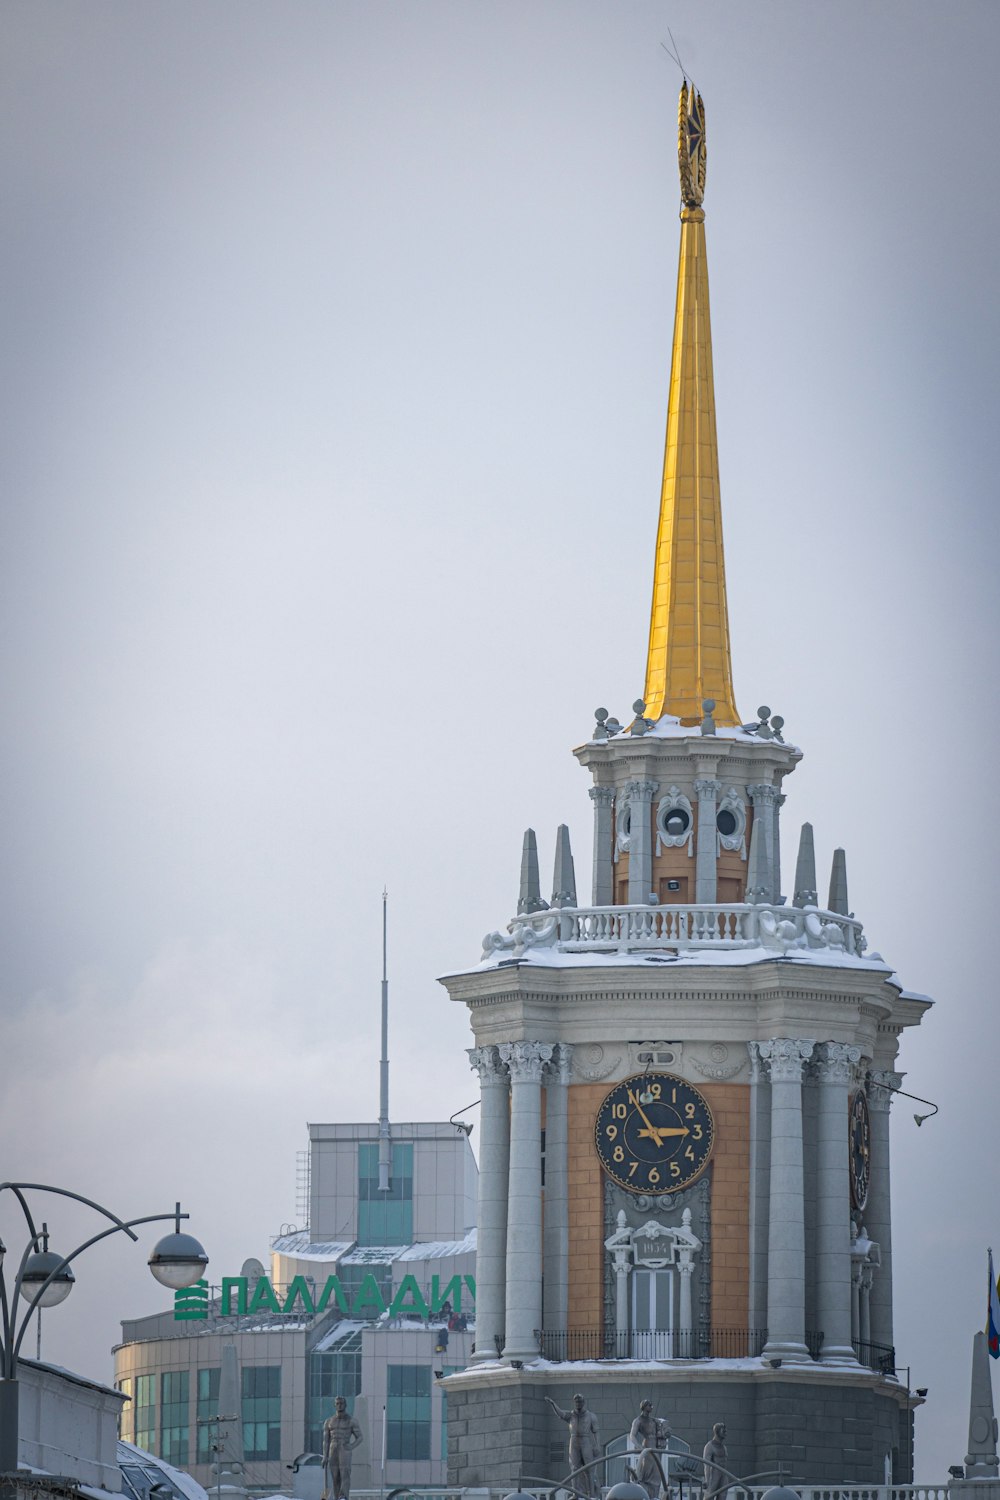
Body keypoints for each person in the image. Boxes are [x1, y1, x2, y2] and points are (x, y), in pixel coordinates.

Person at [546, 1393, 601, 1497]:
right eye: (576, 1402)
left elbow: (596, 1431)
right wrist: (553, 1404)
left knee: (589, 1468)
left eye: (579, 1401)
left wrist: (597, 1445)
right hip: (574, 1442)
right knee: (574, 1468)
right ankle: (575, 1493)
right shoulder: (571, 1415)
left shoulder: (591, 1416)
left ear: (583, 1403)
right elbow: (560, 1414)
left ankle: (591, 1494)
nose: (578, 1404)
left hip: (585, 1441)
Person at [322, 1395, 363, 1500]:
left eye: (341, 1403)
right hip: (333, 1448)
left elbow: (360, 1437)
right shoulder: (329, 1421)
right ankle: (337, 1497)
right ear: (335, 1405)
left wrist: (351, 1446)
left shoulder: (351, 1420)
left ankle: (343, 1496)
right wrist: (325, 1456)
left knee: (345, 1473)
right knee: (335, 1475)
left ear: (345, 1405)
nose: (339, 1406)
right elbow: (326, 1440)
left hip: (344, 1447)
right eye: (337, 1403)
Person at [629, 1400, 671, 1499]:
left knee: (657, 1475)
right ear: (644, 1407)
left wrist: (666, 1432)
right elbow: (632, 1435)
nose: (652, 1407)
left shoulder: (654, 1420)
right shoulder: (638, 1420)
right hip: (647, 1448)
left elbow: (664, 1432)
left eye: (652, 1405)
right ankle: (644, 1494)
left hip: (657, 1449)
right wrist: (639, 1446)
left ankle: (654, 1496)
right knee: (646, 1474)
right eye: (649, 1405)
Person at [702, 1422, 729, 1500]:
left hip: (724, 1474)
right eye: (723, 1431)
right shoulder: (709, 1446)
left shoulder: (724, 1447)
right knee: (710, 1495)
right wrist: (707, 1480)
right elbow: (706, 1465)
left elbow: (725, 1462)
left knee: (723, 1496)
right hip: (713, 1474)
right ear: (717, 1432)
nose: (725, 1433)